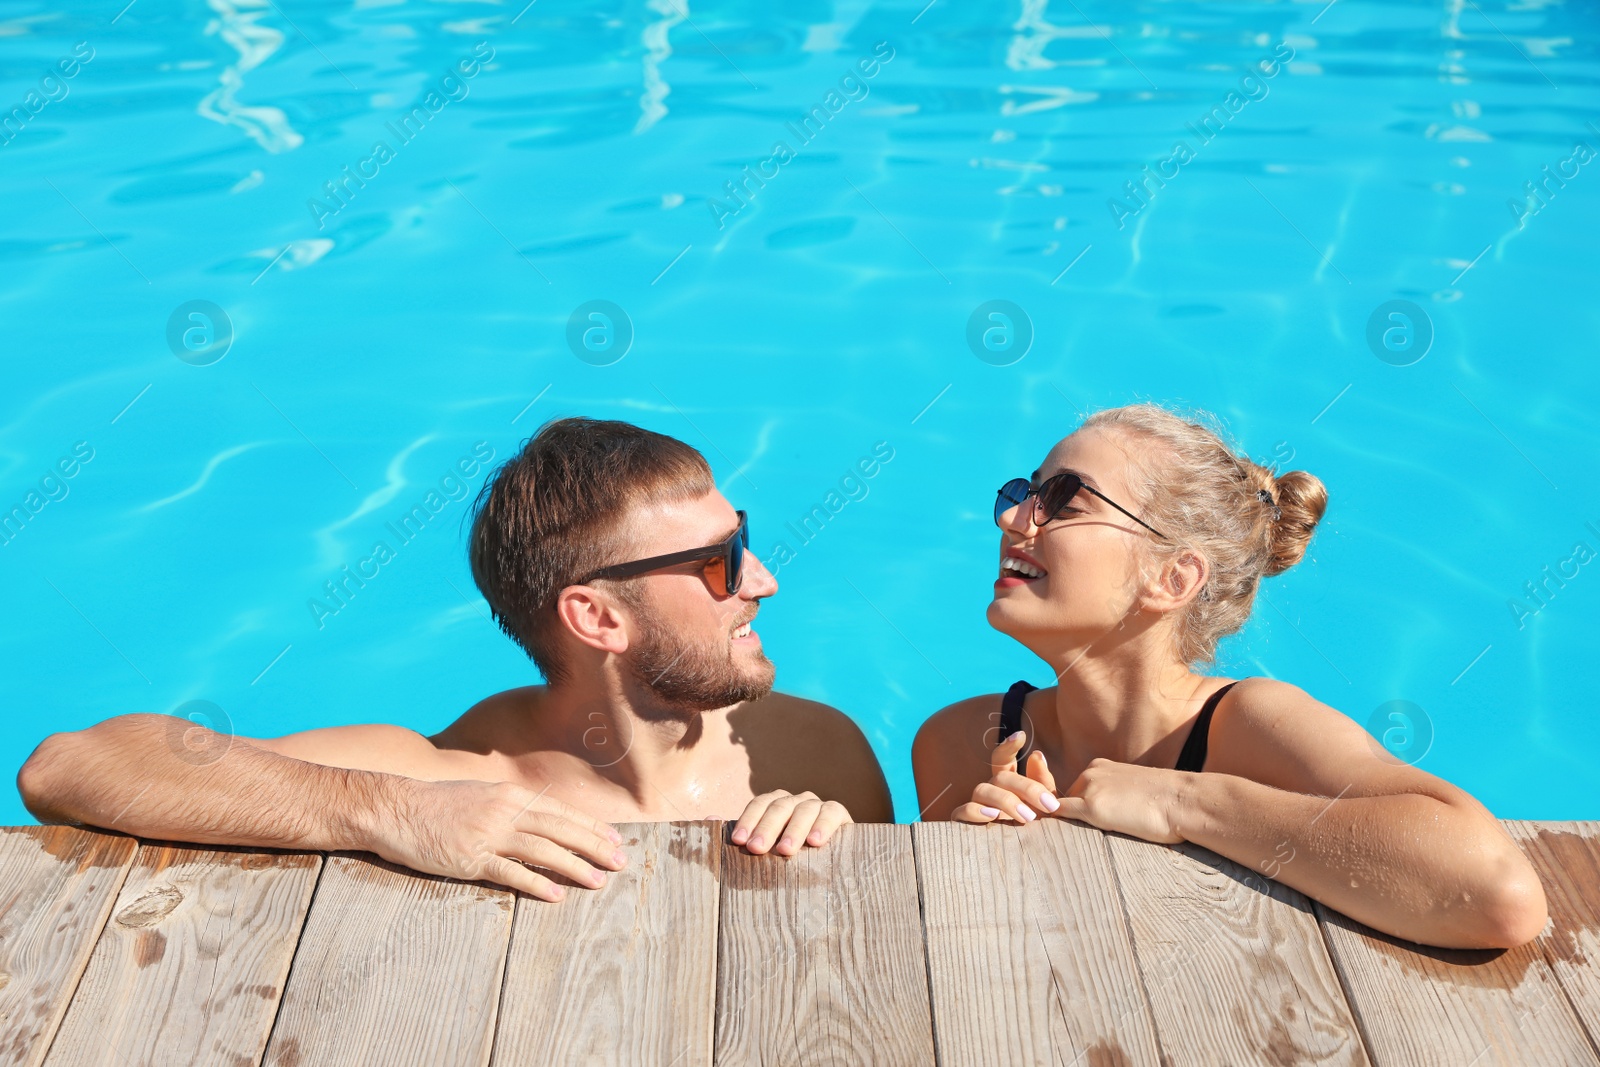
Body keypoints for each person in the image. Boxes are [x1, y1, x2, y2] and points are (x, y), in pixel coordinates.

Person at [20, 418, 892, 902]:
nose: (765, 580)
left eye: (744, 540)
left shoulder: (817, 752)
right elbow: (70, 765)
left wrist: (841, 856)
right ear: (596, 615)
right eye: (720, 563)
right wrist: (390, 812)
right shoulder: (447, 773)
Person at [912, 403, 1547, 950]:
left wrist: (1180, 801)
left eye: (1062, 502)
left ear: (1173, 579)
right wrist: (991, 865)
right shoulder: (960, 740)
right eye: (1025, 494)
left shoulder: (1250, 724)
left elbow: (1499, 892)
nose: (1012, 520)